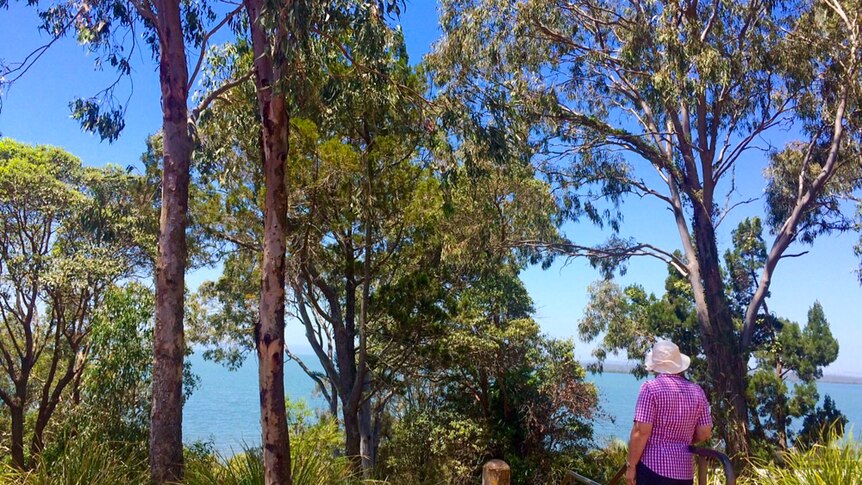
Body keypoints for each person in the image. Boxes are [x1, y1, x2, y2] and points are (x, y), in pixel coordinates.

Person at [625, 340, 712, 485]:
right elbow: (704, 432)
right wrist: (681, 441)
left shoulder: (650, 389)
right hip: (684, 471)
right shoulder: (697, 391)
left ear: (656, 366)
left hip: (653, 469)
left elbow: (641, 431)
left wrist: (631, 466)